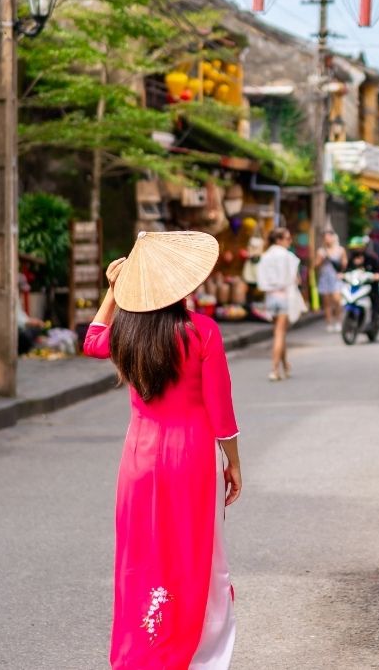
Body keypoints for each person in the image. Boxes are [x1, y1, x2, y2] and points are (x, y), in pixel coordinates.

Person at [82, 230, 240, 669]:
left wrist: (113, 294)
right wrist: (234, 464)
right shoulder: (202, 332)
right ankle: (195, 652)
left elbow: (92, 339)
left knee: (142, 554)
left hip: (139, 457)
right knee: (196, 555)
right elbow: (220, 410)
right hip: (191, 458)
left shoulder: (127, 335)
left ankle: (145, 647)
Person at [254, 227, 302, 382]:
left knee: (279, 332)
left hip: (270, 298)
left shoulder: (265, 257)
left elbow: (261, 282)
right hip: (284, 297)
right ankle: (274, 369)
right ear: (279, 240)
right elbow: (296, 279)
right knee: (279, 333)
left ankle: (285, 365)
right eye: (287, 238)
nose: (290, 241)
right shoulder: (288, 257)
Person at [347, 236, 379, 339]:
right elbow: (346, 272)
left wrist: (377, 276)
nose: (356, 250)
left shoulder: (371, 258)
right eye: (354, 248)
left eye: (358, 248)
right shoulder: (351, 260)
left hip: (372, 288)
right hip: (358, 288)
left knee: (378, 309)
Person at [314, 230, 346, 332]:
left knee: (337, 300)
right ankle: (329, 322)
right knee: (327, 303)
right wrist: (321, 259)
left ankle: (339, 321)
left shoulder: (340, 250)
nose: (327, 239)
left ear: (333, 237)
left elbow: (344, 264)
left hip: (336, 277)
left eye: (329, 237)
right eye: (325, 237)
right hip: (325, 277)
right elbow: (315, 265)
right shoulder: (321, 251)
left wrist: (342, 271)